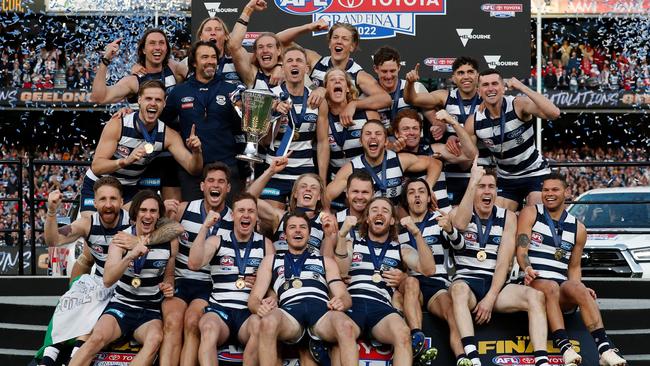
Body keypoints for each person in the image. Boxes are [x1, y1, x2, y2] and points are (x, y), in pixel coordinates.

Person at [516, 173, 627, 366]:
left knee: (580, 289)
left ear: (567, 192)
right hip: (533, 281)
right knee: (550, 286)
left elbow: (574, 268)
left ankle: (604, 350)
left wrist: (580, 288)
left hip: (559, 288)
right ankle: (565, 348)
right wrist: (527, 268)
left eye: (555, 190)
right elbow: (521, 250)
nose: (549, 194)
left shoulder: (579, 228)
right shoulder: (531, 213)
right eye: (545, 190)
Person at [448, 166, 550, 366]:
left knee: (535, 296)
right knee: (458, 290)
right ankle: (472, 356)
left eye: (491, 187)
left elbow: (503, 262)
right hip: (467, 282)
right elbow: (459, 225)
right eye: (481, 186)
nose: (487, 191)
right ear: (473, 189)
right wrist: (472, 181)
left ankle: (542, 360)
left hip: (496, 284)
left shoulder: (508, 216)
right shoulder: (457, 213)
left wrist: (490, 298)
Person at [68, 190, 178, 366]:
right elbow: (108, 279)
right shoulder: (120, 238)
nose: (148, 215)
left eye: (153, 211)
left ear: (159, 215)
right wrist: (130, 256)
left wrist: (168, 285)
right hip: (122, 306)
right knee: (96, 338)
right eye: (143, 210)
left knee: (155, 340)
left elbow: (170, 276)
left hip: (149, 311)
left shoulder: (170, 241)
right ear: (135, 213)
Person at [335, 197, 435, 366]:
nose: (379, 213)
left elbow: (429, 269)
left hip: (381, 307)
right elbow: (341, 270)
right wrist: (342, 235)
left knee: (403, 334)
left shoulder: (400, 248)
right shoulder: (354, 243)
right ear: (367, 218)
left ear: (392, 221)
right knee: (341, 332)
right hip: (353, 304)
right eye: (374, 210)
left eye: (385, 211)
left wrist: (417, 234)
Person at [250, 212, 359, 366]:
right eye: (292, 227)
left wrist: (342, 302)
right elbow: (254, 298)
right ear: (285, 234)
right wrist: (258, 308)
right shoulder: (271, 260)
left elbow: (344, 295)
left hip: (322, 311)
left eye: (302, 227)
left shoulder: (325, 261)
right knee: (267, 322)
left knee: (346, 326)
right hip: (289, 313)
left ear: (309, 234)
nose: (298, 231)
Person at [153, 163, 235, 366]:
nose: (215, 185)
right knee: (172, 322)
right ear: (202, 186)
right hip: (180, 279)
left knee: (192, 322)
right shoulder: (184, 209)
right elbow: (164, 243)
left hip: (209, 284)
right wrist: (166, 217)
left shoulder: (234, 219)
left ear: (228, 188)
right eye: (211, 180)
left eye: (221, 181)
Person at [80, 80, 203, 214]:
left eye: (158, 100)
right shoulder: (118, 124)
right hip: (98, 184)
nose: (153, 103)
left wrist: (197, 152)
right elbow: (97, 166)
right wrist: (125, 161)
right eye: (148, 98)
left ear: (164, 103)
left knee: (144, 220)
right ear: (139, 100)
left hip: (127, 190)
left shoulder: (168, 135)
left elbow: (193, 169)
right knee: (91, 227)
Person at [188, 192, 273, 366]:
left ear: (256, 216)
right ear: (233, 215)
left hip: (249, 312)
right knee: (208, 328)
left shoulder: (266, 244)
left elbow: (273, 284)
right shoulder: (217, 240)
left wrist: (270, 294)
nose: (246, 215)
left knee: (260, 327)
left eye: (251, 211)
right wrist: (204, 227)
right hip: (220, 310)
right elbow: (194, 263)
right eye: (241, 210)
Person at [464, 69, 561, 211]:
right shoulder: (474, 121)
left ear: (503, 87)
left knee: (535, 213)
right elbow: (467, 154)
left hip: (534, 173)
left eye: (495, 83)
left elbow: (554, 113)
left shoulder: (518, 104)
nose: (490, 88)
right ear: (479, 91)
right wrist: (455, 134)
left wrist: (522, 87)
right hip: (506, 178)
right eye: (485, 85)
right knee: (499, 218)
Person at [397, 178, 468, 365]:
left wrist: (451, 229)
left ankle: (462, 359)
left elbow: (460, 247)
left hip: (437, 284)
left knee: (452, 313)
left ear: (429, 197)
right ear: (406, 199)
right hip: (412, 284)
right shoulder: (398, 228)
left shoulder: (438, 220)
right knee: (412, 284)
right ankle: (418, 343)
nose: (417, 195)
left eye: (421, 191)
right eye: (411, 192)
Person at [161, 41, 242, 201]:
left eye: (213, 57)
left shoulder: (231, 90)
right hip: (194, 169)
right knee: (193, 220)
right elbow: (162, 123)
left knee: (228, 219)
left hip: (227, 166)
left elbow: (244, 126)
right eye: (204, 57)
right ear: (193, 62)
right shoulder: (179, 92)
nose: (210, 61)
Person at [404, 57, 490, 206]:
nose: (466, 76)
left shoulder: (487, 99)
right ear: (453, 78)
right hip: (451, 170)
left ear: (478, 76)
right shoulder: (446, 96)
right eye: (461, 73)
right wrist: (410, 83)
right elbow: (413, 99)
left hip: (483, 170)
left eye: (470, 72)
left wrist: (453, 135)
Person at [261, 45, 327, 209]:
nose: (294, 64)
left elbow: (323, 142)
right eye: (289, 61)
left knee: (302, 225)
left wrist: (322, 181)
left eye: (299, 61)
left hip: (305, 174)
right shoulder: (270, 96)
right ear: (282, 68)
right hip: (275, 170)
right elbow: (263, 141)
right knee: (271, 223)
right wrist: (274, 115)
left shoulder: (317, 100)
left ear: (306, 68)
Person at [278, 21, 391, 116]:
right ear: (329, 43)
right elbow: (278, 41)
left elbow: (385, 99)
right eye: (335, 37)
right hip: (310, 123)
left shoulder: (358, 74)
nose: (339, 41)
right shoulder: (315, 61)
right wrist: (308, 27)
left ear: (352, 46)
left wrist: (354, 104)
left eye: (345, 39)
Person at [327, 120, 442, 206]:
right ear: (361, 141)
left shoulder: (399, 160)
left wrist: (428, 187)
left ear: (386, 141)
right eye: (368, 134)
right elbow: (326, 196)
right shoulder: (351, 169)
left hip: (395, 223)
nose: (373, 137)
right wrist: (327, 212)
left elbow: (435, 163)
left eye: (378, 133)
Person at [392, 108, 476, 213]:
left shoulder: (434, 149)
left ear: (420, 131)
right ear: (396, 133)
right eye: (406, 129)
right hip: (413, 221)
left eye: (415, 128)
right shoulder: (392, 157)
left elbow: (471, 155)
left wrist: (453, 123)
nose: (411, 133)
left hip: (443, 218)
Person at [249, 157, 332, 256]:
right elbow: (247, 200)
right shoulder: (280, 217)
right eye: (303, 186)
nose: (308, 190)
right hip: (281, 269)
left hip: (309, 270)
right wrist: (270, 171)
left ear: (319, 196)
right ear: (295, 193)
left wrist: (328, 236)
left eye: (313, 188)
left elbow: (327, 262)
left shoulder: (326, 223)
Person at [90, 29, 185, 105]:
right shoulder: (133, 81)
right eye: (152, 43)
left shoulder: (173, 67)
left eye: (161, 43)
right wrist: (106, 60)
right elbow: (99, 98)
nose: (157, 47)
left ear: (167, 48)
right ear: (143, 49)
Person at [321, 69, 381, 187]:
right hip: (337, 184)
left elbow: (383, 147)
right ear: (326, 90)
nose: (337, 81)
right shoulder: (323, 118)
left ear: (348, 88)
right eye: (332, 80)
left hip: (365, 184)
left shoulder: (367, 114)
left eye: (341, 79)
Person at [228, 0, 284, 90]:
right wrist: (248, 9)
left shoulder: (291, 71)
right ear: (256, 53)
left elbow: (311, 89)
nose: (265, 50)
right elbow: (234, 45)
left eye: (270, 46)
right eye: (260, 47)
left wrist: (281, 65)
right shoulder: (252, 75)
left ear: (278, 51)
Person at [371, 46, 431, 130]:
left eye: (392, 71)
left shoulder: (416, 87)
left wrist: (437, 127)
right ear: (375, 69)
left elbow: (433, 116)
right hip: (383, 142)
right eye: (384, 71)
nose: (388, 76)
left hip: (411, 140)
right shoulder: (368, 93)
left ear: (399, 67)